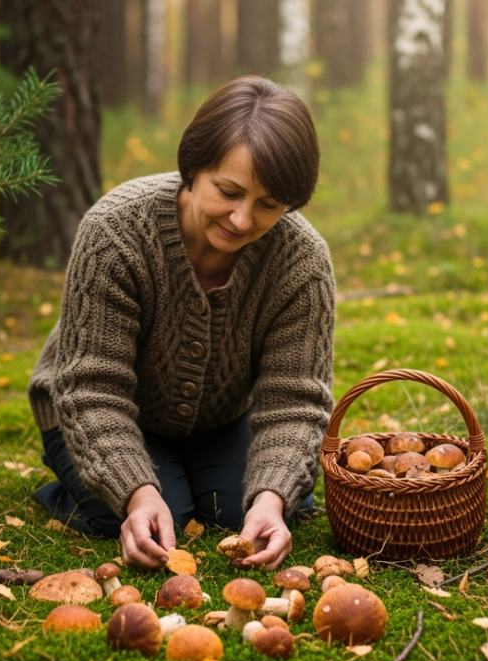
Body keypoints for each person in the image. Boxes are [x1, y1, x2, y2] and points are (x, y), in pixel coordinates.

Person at [27, 75, 334, 572]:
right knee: (160, 518)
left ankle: (192, 478)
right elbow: (90, 388)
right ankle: (74, 488)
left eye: (268, 204)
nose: (242, 220)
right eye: (228, 192)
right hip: (87, 409)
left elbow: (296, 400)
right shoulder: (115, 233)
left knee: (244, 515)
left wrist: (274, 498)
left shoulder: (302, 261)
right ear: (192, 168)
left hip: (219, 420)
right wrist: (137, 493)